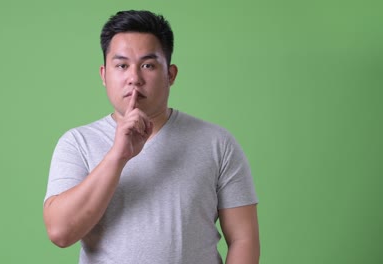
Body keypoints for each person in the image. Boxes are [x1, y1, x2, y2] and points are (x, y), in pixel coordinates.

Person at [43, 10, 260, 264]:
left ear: (170, 74)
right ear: (104, 75)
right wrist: (118, 155)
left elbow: (244, 239)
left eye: (148, 65)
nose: (134, 78)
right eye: (122, 65)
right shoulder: (77, 143)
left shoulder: (217, 143)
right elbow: (60, 232)